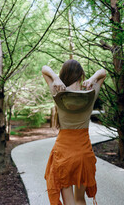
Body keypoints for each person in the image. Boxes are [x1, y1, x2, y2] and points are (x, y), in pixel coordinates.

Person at [42, 59, 106, 205]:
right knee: (79, 199)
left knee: (69, 202)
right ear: (81, 75)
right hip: (83, 152)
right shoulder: (90, 94)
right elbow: (103, 73)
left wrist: (56, 78)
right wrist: (92, 78)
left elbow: (44, 68)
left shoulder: (58, 92)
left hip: (63, 154)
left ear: (64, 74)